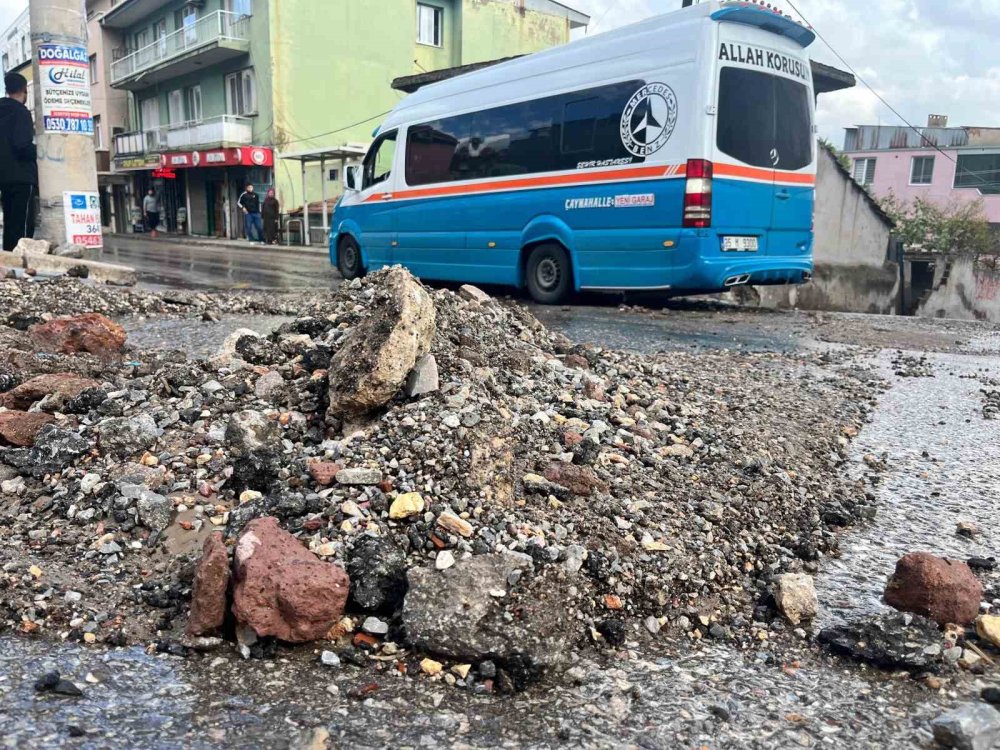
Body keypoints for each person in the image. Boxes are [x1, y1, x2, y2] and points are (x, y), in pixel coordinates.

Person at [0, 72, 39, 253]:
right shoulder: (21, 112)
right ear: (24, 90)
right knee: (22, 226)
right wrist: (39, 153)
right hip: (22, 177)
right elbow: (22, 144)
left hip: (4, 177)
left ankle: (8, 259)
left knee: (9, 223)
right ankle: (20, 262)